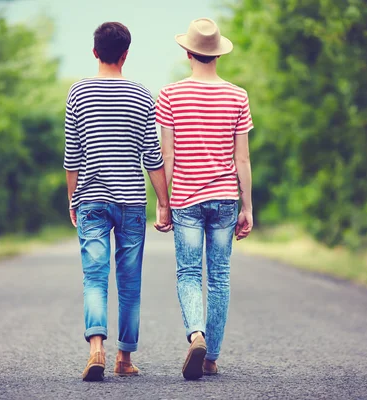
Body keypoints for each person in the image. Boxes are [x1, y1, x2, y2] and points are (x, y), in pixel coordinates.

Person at [64, 21, 172, 382]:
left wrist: (72, 199)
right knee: (129, 281)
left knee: (94, 277)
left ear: (94, 51)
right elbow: (152, 156)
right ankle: (124, 358)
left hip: (91, 199)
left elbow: (71, 155)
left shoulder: (77, 93)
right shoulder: (142, 95)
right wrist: (163, 202)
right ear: (126, 54)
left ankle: (96, 346)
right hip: (130, 202)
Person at [155, 17, 254, 380]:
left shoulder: (169, 95)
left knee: (188, 273)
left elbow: (167, 156)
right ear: (217, 54)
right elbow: (241, 158)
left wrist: (162, 204)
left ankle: (195, 333)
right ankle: (210, 356)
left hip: (185, 197)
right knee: (220, 277)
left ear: (187, 52)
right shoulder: (237, 95)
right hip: (226, 197)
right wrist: (248, 206)